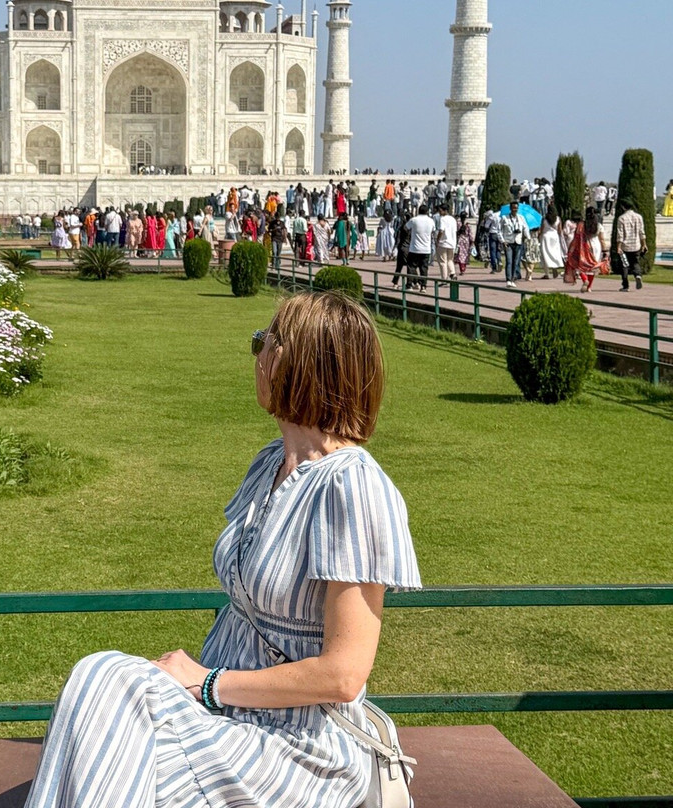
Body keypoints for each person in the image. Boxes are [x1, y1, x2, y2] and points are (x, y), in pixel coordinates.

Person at [24, 292, 421, 808]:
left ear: (300, 366)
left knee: (108, 693)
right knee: (97, 681)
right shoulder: (271, 464)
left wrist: (207, 683)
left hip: (296, 749)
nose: (255, 355)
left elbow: (343, 676)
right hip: (225, 716)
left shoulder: (353, 489)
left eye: (264, 342)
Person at [566, 207, 607, 293]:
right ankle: (589, 287)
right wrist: (605, 251)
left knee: (580, 264)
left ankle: (585, 279)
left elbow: (576, 237)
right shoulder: (599, 225)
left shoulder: (581, 225)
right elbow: (602, 239)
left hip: (584, 246)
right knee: (593, 267)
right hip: (596, 246)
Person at [615, 198, 648, 291]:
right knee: (635, 263)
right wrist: (644, 244)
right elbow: (642, 232)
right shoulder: (639, 217)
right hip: (636, 245)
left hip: (625, 246)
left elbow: (620, 234)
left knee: (624, 265)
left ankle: (625, 286)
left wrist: (618, 247)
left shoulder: (621, 218)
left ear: (623, 207)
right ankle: (638, 275)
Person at [404, 204, 435, 291]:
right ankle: (423, 286)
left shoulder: (414, 220)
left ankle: (410, 285)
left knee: (411, 266)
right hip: (426, 248)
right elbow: (433, 230)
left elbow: (405, 228)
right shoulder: (431, 221)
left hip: (414, 247)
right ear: (427, 212)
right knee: (424, 268)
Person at [499, 201, 528, 288]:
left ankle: (513, 279)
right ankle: (508, 279)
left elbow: (525, 228)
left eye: (516, 208)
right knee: (509, 261)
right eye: (513, 208)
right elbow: (499, 230)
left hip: (518, 242)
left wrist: (527, 237)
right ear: (510, 209)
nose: (515, 209)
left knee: (516, 262)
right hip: (508, 242)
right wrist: (502, 241)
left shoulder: (521, 218)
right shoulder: (505, 218)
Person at [433, 204, 458, 284]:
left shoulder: (443, 219)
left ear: (444, 211)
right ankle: (452, 273)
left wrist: (437, 240)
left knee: (442, 261)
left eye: (440, 211)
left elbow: (441, 230)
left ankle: (444, 278)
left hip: (443, 242)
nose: (439, 212)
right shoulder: (453, 219)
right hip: (452, 242)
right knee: (450, 260)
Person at [538, 208, 564, 279]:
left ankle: (546, 273)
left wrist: (539, 235)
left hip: (546, 237)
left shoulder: (545, 219)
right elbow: (560, 230)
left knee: (545, 255)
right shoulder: (558, 219)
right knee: (554, 253)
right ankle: (554, 267)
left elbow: (542, 229)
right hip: (555, 237)